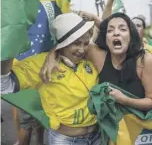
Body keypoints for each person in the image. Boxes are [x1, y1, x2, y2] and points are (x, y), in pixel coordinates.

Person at [1, 13, 101, 145]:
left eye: (86, 43)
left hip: (97, 137)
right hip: (66, 141)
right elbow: (4, 84)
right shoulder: (41, 64)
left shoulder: (90, 58)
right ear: (63, 44)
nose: (82, 50)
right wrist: (9, 45)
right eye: (76, 43)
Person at [40, 11, 152, 111]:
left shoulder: (144, 60)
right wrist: (51, 56)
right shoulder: (97, 55)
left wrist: (124, 100)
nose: (116, 33)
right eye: (110, 30)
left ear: (131, 35)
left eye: (123, 29)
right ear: (106, 38)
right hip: (107, 132)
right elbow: (67, 42)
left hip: (137, 132)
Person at [102, 0, 152, 72]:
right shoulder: (121, 48)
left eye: (138, 25)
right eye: (132, 25)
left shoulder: (150, 51)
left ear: (144, 30)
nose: (135, 28)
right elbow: (104, 25)